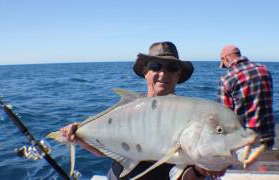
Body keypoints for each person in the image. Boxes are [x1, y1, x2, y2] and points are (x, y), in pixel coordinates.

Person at [61, 41, 225, 179]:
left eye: (172, 67)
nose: (163, 73)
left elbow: (186, 176)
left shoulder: (190, 118)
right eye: (156, 66)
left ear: (178, 75)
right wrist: (79, 136)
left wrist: (200, 170)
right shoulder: (126, 110)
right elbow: (105, 150)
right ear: (145, 72)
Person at [217, 44, 275, 150]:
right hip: (268, 137)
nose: (226, 68)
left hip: (244, 141)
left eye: (224, 65)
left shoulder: (227, 79)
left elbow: (224, 115)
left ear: (225, 58)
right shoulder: (264, 70)